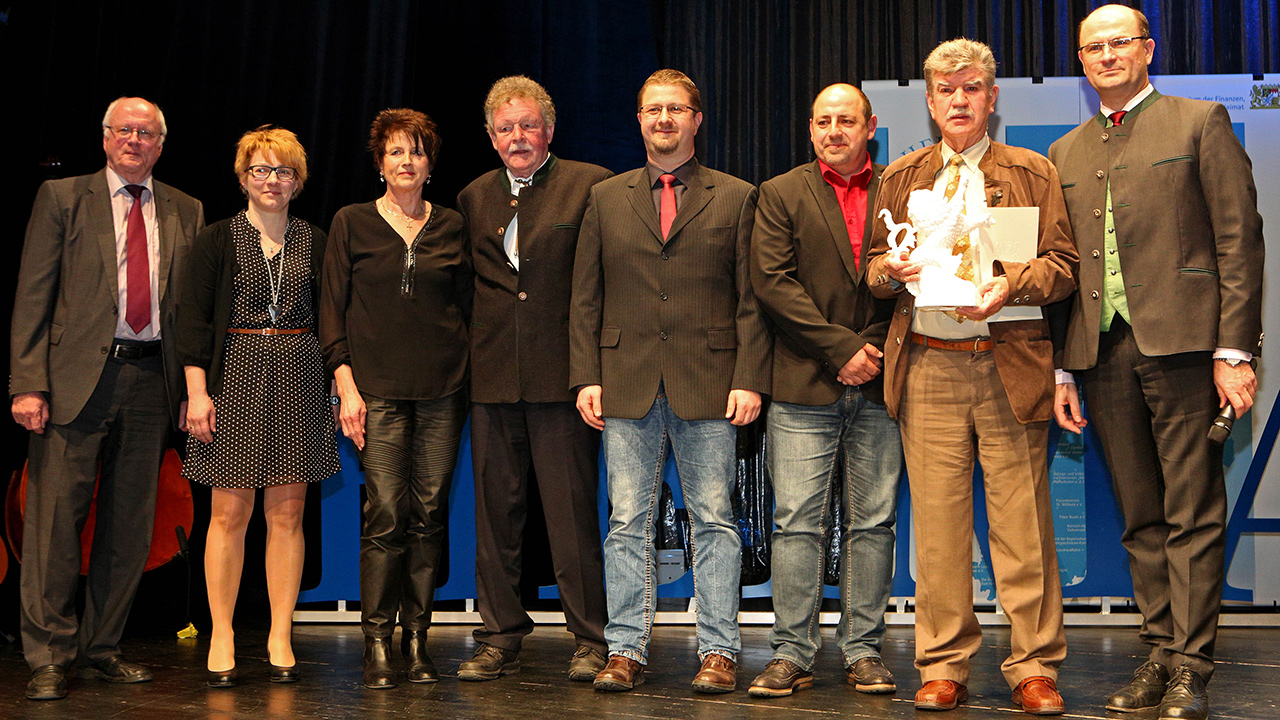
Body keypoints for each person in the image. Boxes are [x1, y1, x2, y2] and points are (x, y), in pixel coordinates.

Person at [1048, 6, 1264, 719]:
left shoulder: (1199, 122)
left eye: (1119, 43)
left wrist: (1234, 351)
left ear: (1147, 49)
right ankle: (1159, 651)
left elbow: (1239, 240)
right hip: (1102, 354)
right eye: (1093, 47)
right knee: (1141, 515)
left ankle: (1192, 668)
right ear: (1081, 62)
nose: (1107, 56)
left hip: (1187, 350)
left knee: (1193, 511)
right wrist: (1060, 370)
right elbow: (1060, 267)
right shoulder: (1065, 150)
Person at [864, 39, 1077, 714]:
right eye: (946, 91)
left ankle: (1034, 666)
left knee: (1024, 530)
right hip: (928, 365)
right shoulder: (901, 176)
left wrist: (1007, 284)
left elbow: (1064, 267)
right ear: (928, 102)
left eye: (972, 88)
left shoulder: (1032, 171)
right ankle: (943, 664)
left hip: (1010, 367)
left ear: (991, 97)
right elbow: (872, 266)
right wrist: (888, 272)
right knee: (939, 529)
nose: (959, 100)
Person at [570, 68, 770, 694]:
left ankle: (719, 651)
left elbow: (751, 300)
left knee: (713, 518)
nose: (664, 120)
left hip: (710, 382)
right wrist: (585, 376)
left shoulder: (737, 196)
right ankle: (625, 649)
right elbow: (585, 298)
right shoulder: (606, 198)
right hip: (624, 380)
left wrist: (748, 378)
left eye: (676, 109)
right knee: (627, 521)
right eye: (653, 109)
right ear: (639, 120)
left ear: (696, 119)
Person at [10, 97, 205, 701]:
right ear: (105, 138)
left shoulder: (186, 208)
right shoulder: (64, 199)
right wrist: (26, 382)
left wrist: (191, 388)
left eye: (147, 133)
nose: (135, 140)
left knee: (129, 528)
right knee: (53, 527)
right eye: (125, 130)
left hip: (152, 382)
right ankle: (49, 655)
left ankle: (102, 648)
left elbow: (190, 313)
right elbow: (33, 293)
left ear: (161, 145)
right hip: (73, 382)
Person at [455, 76, 613, 682]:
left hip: (563, 380)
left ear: (549, 130)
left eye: (528, 125)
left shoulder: (589, 185)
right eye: (505, 128)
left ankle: (591, 638)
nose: (517, 137)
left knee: (572, 514)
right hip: (492, 378)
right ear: (491, 137)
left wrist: (589, 372)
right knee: (496, 517)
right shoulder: (472, 197)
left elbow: (600, 283)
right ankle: (498, 635)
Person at [746, 83, 901, 698]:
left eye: (847, 121)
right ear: (810, 130)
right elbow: (773, 283)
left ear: (870, 127)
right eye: (822, 122)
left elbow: (923, 278)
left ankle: (863, 650)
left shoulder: (904, 188)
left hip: (883, 378)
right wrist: (842, 350)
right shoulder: (781, 193)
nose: (834, 131)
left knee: (874, 523)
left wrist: (876, 348)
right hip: (805, 381)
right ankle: (792, 652)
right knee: (797, 524)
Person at [177, 125, 340, 687]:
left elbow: (333, 319)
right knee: (228, 514)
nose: (273, 181)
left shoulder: (316, 240)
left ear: (299, 182)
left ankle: (279, 633)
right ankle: (221, 632)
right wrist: (198, 393)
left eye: (285, 171)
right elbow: (193, 323)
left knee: (288, 514)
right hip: (235, 379)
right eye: (262, 170)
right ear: (244, 177)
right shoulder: (216, 239)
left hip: (300, 377)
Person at [320, 109, 472, 689]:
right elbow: (331, 310)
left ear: (430, 165)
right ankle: (377, 643)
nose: (406, 162)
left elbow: (469, 309)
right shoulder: (351, 222)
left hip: (443, 391)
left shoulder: (453, 226)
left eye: (416, 152)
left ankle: (417, 638)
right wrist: (345, 384)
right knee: (385, 514)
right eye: (394, 152)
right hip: (375, 392)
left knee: (430, 516)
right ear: (379, 162)